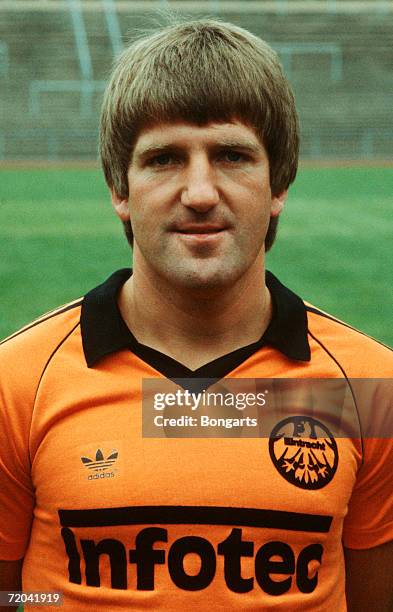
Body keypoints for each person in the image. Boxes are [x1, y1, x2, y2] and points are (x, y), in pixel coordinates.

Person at [0, 18, 392, 612]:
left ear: (278, 183)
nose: (201, 192)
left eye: (233, 155)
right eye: (164, 159)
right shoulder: (16, 385)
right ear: (119, 189)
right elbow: (15, 595)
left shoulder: (370, 389)